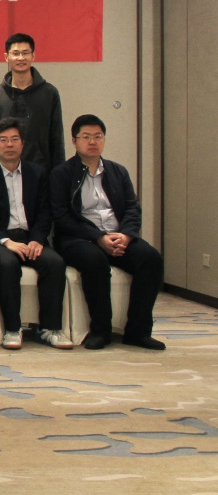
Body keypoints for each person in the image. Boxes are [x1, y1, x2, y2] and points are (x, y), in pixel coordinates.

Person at [50, 114, 165, 350]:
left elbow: (132, 208)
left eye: (98, 136)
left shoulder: (118, 171)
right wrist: (98, 237)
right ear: (74, 141)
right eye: (86, 137)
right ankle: (101, 331)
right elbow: (62, 217)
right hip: (79, 239)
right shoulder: (62, 173)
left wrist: (126, 235)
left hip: (118, 235)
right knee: (95, 261)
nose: (92, 142)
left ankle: (138, 331)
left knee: (151, 259)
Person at [0, 118, 72, 350]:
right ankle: (12, 328)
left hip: (30, 238)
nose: (9, 145)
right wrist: (6, 241)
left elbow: (45, 211)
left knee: (54, 263)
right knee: (7, 264)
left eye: (14, 139)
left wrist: (37, 239)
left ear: (23, 143)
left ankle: (49, 328)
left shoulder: (37, 173)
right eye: (3, 140)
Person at [0, 33, 66, 170]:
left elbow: (57, 138)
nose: (21, 58)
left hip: (41, 172)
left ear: (33, 56)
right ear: (6, 57)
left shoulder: (49, 93)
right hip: (4, 172)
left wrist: (58, 173)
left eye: (25, 53)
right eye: (16, 53)